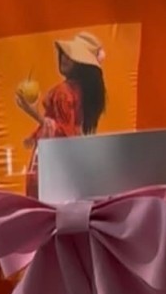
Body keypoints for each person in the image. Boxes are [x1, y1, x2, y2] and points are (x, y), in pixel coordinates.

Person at [15, 32, 107, 196]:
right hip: (71, 162)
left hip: (53, 160)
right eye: (64, 53)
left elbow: (64, 134)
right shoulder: (82, 91)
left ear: (81, 64)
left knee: (41, 205)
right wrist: (35, 134)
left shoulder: (63, 92)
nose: (64, 58)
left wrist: (34, 113)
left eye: (71, 55)